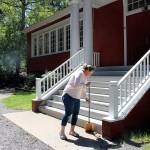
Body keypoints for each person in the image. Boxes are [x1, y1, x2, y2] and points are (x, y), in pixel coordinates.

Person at [59, 64, 94, 140]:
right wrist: (85, 84)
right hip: (68, 95)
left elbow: (83, 90)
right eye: (91, 72)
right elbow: (75, 84)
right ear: (87, 70)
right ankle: (61, 132)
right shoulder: (79, 73)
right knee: (68, 114)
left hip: (76, 97)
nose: (91, 74)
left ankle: (72, 131)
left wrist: (86, 98)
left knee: (75, 114)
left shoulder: (85, 77)